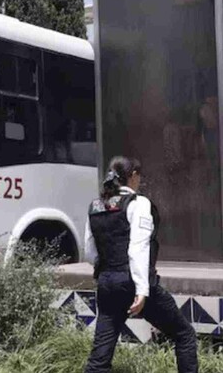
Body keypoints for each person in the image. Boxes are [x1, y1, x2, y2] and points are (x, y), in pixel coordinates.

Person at [84, 156, 198, 373]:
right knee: (184, 335)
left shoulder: (96, 206)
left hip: (108, 283)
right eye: (139, 176)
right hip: (134, 284)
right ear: (133, 176)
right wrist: (142, 291)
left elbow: (90, 253)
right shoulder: (139, 203)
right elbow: (137, 249)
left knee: (100, 358)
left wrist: (109, 272)